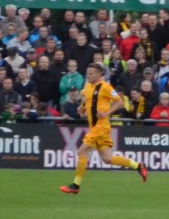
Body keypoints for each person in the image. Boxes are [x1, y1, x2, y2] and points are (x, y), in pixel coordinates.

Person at [58, 61, 147, 194]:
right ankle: (138, 166)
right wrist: (81, 108)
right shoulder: (87, 86)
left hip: (101, 127)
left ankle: (75, 186)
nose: (88, 76)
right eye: (87, 73)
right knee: (107, 159)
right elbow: (87, 102)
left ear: (99, 74)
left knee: (81, 152)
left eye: (91, 74)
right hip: (94, 127)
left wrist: (106, 113)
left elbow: (120, 102)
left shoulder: (105, 87)